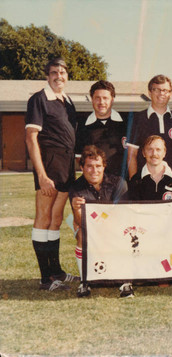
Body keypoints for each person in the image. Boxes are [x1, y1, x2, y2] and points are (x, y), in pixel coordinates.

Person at [25, 57, 79, 291]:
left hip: (66, 165)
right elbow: (31, 138)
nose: (59, 76)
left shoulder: (67, 101)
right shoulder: (39, 99)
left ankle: (56, 271)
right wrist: (42, 175)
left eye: (63, 72)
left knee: (56, 220)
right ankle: (45, 277)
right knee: (43, 218)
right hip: (49, 163)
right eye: (54, 72)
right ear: (47, 76)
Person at [69, 145, 128, 298]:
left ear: (104, 166)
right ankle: (85, 281)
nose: (94, 170)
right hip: (89, 226)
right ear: (82, 167)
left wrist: (108, 228)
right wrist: (76, 209)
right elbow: (79, 220)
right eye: (89, 166)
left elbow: (122, 215)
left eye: (98, 166)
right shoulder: (76, 187)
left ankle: (125, 280)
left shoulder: (118, 183)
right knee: (82, 234)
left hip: (114, 225)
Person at [127, 75, 172, 190]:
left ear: (170, 93)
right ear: (150, 93)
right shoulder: (138, 119)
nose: (161, 93)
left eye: (165, 90)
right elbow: (132, 154)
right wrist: (134, 183)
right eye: (156, 90)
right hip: (144, 183)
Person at [75, 80, 127, 177]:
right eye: (97, 98)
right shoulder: (81, 126)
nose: (101, 102)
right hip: (93, 184)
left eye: (105, 98)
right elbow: (79, 158)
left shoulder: (126, 123)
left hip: (120, 184)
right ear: (92, 99)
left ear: (112, 99)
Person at [128, 135, 172, 201]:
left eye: (158, 149)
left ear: (164, 153)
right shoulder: (135, 180)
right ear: (143, 153)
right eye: (150, 149)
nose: (154, 153)